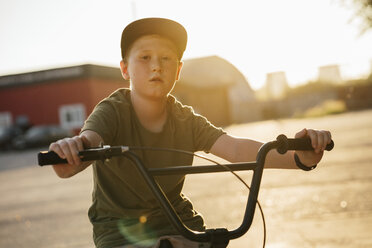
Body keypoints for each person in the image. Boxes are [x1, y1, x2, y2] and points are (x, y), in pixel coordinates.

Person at [49, 18, 332, 248]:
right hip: (120, 233)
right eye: (145, 57)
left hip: (179, 224)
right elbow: (87, 144)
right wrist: (71, 150)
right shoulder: (113, 110)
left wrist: (300, 156)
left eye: (167, 58)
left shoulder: (185, 119)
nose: (157, 66)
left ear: (179, 70)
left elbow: (234, 149)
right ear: (125, 68)